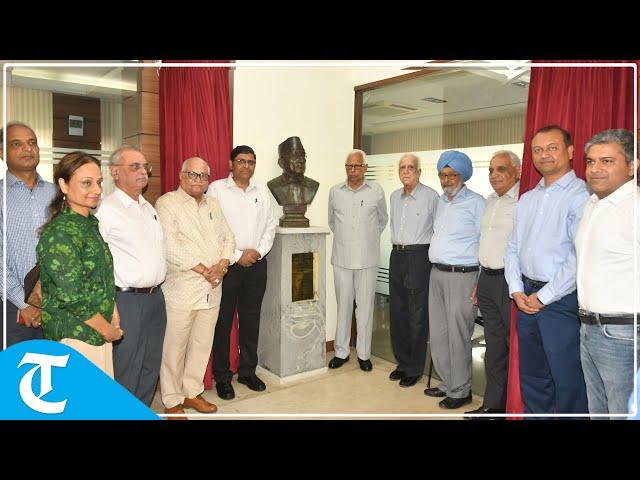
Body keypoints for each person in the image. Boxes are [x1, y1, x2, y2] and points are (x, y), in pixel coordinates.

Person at [504, 125, 590, 415]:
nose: (544, 155)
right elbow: (513, 247)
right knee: (533, 378)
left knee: (568, 381)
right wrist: (516, 289)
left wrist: (543, 297)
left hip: (561, 301)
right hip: (525, 296)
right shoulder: (527, 199)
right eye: (537, 150)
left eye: (552, 147)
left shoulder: (583, 197)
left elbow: (579, 256)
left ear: (570, 152)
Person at [156, 157, 234, 416]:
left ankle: (192, 392)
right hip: (181, 288)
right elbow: (169, 246)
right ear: (181, 175)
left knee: (202, 344)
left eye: (203, 176)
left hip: (213, 287)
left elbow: (228, 237)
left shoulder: (213, 203)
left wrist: (222, 266)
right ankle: (171, 400)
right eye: (193, 174)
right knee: (175, 346)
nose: (198, 180)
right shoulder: (167, 203)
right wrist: (204, 269)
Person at [37, 151, 123, 375]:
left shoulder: (88, 224)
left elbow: (100, 275)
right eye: (86, 183)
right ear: (63, 186)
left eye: (99, 182)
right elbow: (72, 296)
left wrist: (111, 310)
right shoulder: (60, 233)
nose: (96, 190)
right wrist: (107, 330)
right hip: (75, 335)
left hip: (95, 330)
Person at [95, 146, 166, 406]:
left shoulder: (149, 207)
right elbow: (97, 261)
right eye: (134, 166)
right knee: (127, 366)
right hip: (126, 300)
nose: (143, 171)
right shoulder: (106, 209)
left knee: (150, 363)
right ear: (115, 172)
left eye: (145, 166)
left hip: (156, 297)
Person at [574, 129, 639, 417]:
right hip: (589, 327)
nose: (595, 169)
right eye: (590, 161)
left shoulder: (634, 208)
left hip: (622, 334)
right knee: (598, 411)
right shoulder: (593, 204)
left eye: (607, 161)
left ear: (632, 166)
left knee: (622, 412)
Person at [207, 145, 276, 400]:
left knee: (251, 321)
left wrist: (257, 251)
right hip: (227, 266)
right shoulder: (216, 189)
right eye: (241, 161)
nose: (246, 166)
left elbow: (270, 226)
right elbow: (213, 227)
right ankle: (222, 377)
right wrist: (237, 255)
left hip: (257, 265)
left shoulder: (263, 191)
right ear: (230, 163)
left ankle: (247, 371)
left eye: (251, 162)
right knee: (223, 323)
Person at [424, 150, 485, 409]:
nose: (447, 179)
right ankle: (448, 383)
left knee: (458, 335)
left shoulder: (477, 203)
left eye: (452, 174)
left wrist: (480, 282)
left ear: (463, 176)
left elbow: (486, 243)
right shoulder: (439, 202)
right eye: (443, 174)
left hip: (463, 276)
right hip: (436, 274)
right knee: (438, 334)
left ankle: (461, 390)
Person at [465, 151, 521, 418]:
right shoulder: (489, 201)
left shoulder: (523, 201)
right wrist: (479, 281)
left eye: (501, 169)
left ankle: (514, 407)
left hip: (510, 284)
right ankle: (492, 406)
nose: (494, 175)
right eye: (490, 170)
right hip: (486, 280)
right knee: (494, 348)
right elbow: (485, 245)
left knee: (514, 348)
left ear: (517, 171)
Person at [327, 149, 388, 371]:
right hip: (342, 259)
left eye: (356, 166)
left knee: (365, 308)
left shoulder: (376, 191)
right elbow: (332, 222)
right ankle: (341, 352)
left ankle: (364, 354)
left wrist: (366, 239)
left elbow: (382, 220)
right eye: (349, 167)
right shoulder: (335, 192)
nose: (353, 171)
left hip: (367, 260)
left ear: (365, 168)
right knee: (343, 307)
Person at [0, 122, 57, 349]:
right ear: (3, 153)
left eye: (32, 143)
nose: (27, 149)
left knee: (55, 374)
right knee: (16, 377)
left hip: (56, 303)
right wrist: (25, 304)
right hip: (12, 306)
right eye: (17, 144)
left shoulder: (57, 193)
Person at [388, 154, 439, 387]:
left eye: (411, 168)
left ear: (419, 172)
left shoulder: (431, 197)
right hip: (396, 254)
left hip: (419, 256)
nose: (406, 171)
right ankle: (403, 362)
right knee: (398, 312)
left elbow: (439, 230)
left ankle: (415, 367)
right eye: (402, 168)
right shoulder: (394, 197)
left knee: (417, 314)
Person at [267, 136, 319, 206]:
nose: (301, 160)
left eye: (303, 155)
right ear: (281, 162)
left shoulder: (312, 186)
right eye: (295, 155)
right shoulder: (274, 185)